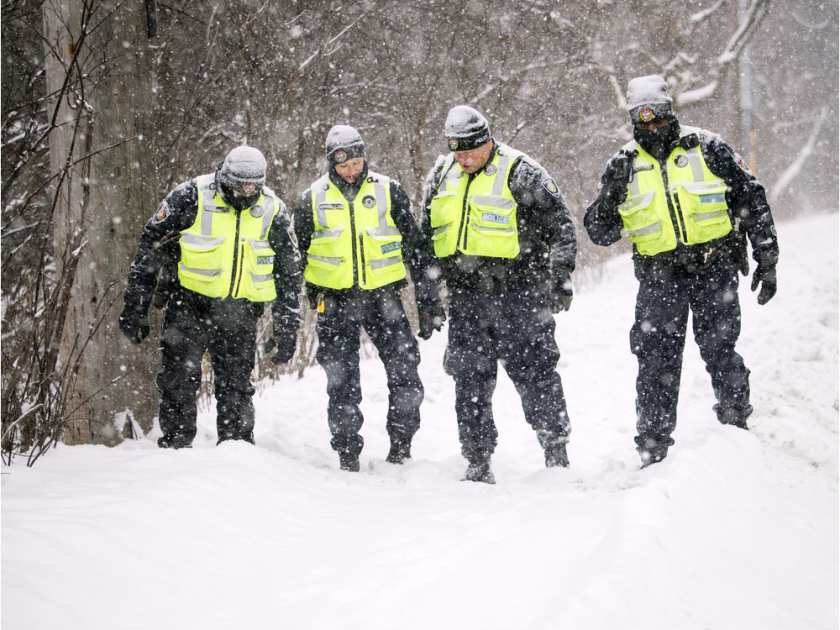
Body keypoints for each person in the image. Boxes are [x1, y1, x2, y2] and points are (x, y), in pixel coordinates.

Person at [584, 75, 779, 468]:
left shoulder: (708, 147)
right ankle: (653, 450)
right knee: (656, 361)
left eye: (658, 118)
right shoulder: (623, 165)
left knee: (720, 350)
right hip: (659, 279)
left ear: (671, 113)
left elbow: (751, 198)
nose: (652, 127)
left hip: (714, 267)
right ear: (634, 122)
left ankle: (736, 428)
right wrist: (610, 197)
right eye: (644, 121)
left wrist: (767, 257)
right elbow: (599, 232)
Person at [420, 105, 577, 484]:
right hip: (466, 298)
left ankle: (555, 452)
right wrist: (427, 294)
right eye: (458, 152)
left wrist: (560, 275)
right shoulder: (442, 175)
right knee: (469, 380)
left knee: (536, 374)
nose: (465, 159)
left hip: (519, 294)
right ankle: (477, 460)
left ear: (488, 141)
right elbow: (425, 240)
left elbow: (561, 225)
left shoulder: (520, 171)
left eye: (471, 151)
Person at [119, 146, 302, 448]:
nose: (245, 193)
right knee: (179, 380)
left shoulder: (274, 210)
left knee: (236, 387)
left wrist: (287, 326)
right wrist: (135, 307)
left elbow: (289, 271)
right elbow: (149, 245)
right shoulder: (191, 195)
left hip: (240, 312)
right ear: (224, 177)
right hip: (188, 305)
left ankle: (237, 451)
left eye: (253, 187)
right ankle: (177, 448)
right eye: (239, 186)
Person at [293, 125, 444, 472]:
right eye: (344, 165)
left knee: (405, 370)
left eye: (357, 162)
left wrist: (428, 298)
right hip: (334, 301)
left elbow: (416, 248)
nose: (352, 170)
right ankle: (348, 453)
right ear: (332, 163)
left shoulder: (388, 190)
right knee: (342, 380)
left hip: (383, 297)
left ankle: (401, 447)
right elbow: (295, 256)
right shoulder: (312, 198)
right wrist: (302, 297)